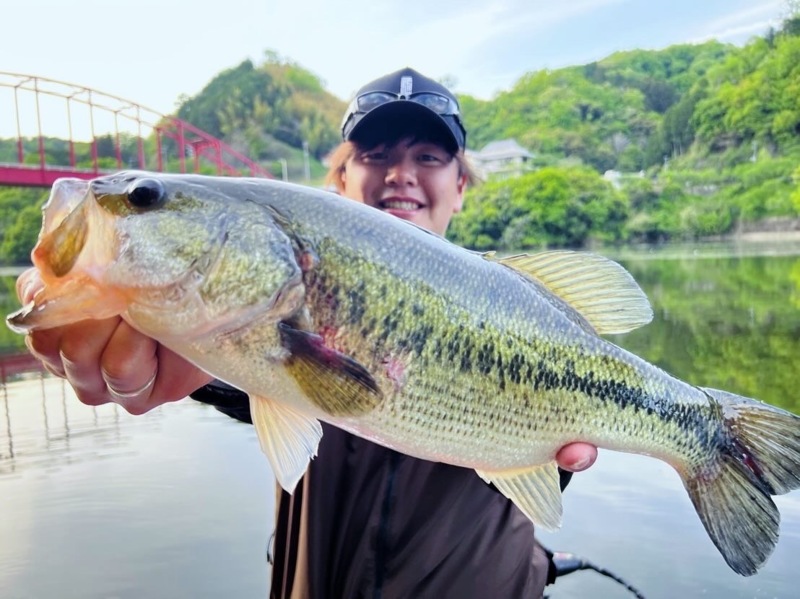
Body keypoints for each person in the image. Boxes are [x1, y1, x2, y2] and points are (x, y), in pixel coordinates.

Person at [17, 67, 598, 598]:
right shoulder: (253, 325)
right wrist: (161, 351)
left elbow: (548, 468)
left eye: (428, 157)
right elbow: (235, 371)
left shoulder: (523, 316)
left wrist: (558, 451)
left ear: (461, 186)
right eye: (374, 154)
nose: (400, 175)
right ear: (341, 179)